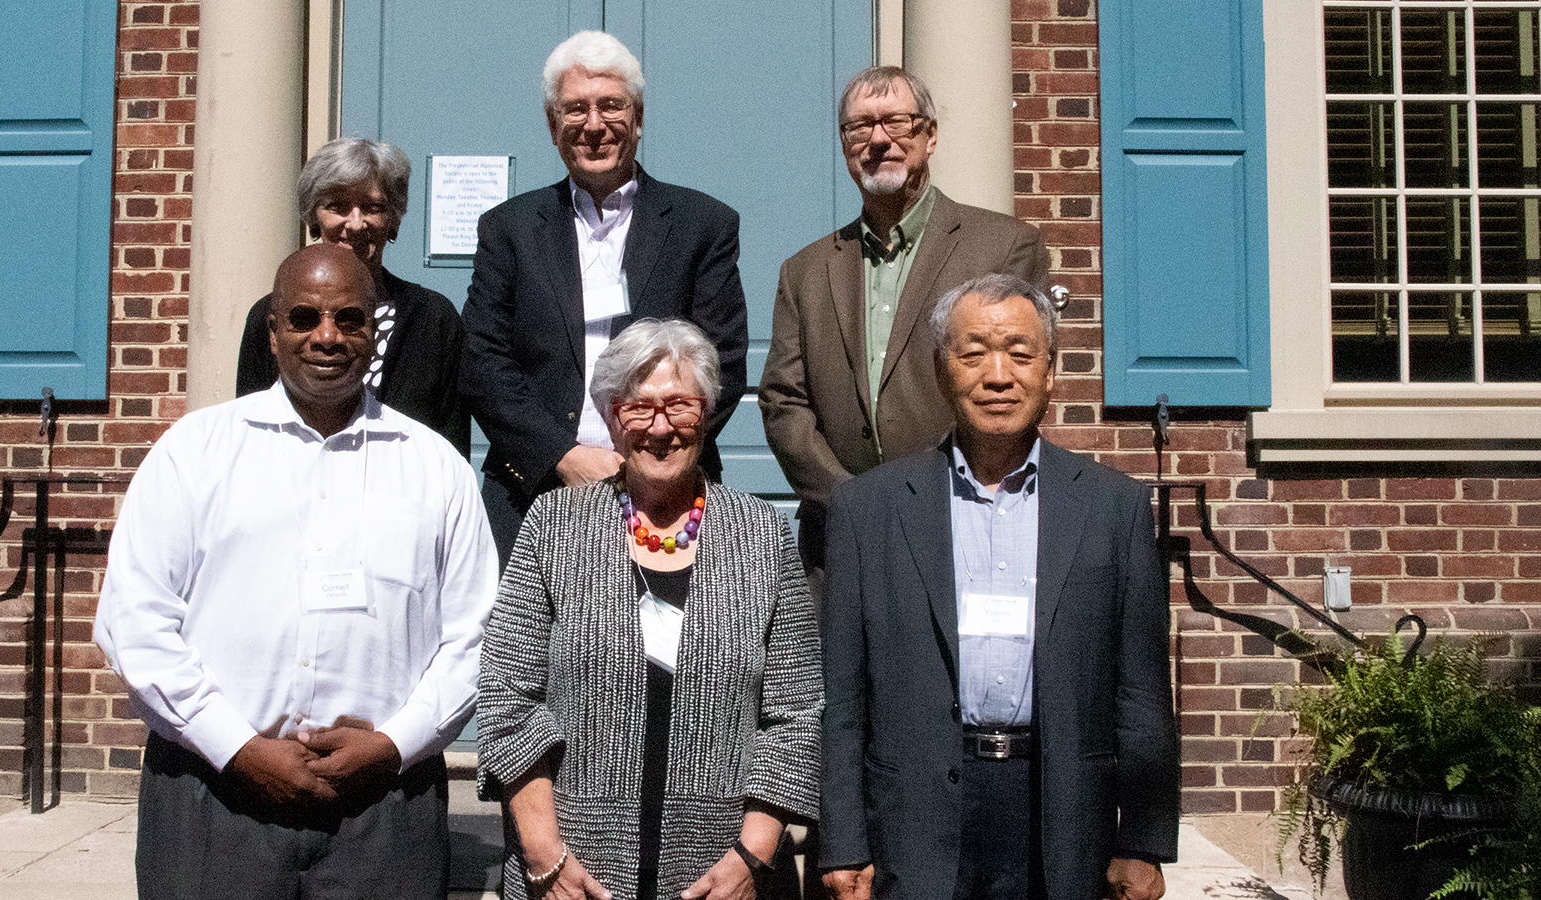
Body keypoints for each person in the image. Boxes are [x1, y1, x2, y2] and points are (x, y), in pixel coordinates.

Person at [96, 244, 499, 899]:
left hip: (383, 806)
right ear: (274, 331)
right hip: (213, 793)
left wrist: (395, 744)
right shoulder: (194, 454)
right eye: (305, 317)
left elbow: (477, 636)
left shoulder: (434, 468)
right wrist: (238, 747)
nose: (327, 336)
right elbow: (133, 621)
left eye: (349, 319)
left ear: (375, 330)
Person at [818, 273, 1177, 900]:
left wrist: (1142, 841)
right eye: (974, 351)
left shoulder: (1113, 508)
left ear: (1051, 370)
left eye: (1019, 351)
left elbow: (1141, 692)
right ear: (941, 370)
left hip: (1062, 808)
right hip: (915, 813)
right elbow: (843, 701)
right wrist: (843, 838)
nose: (998, 375)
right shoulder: (867, 510)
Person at [476, 319, 820, 900]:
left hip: (726, 872)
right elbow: (507, 694)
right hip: (573, 868)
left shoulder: (761, 534)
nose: (660, 428)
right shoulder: (555, 526)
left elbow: (797, 712)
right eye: (639, 409)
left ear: (707, 414)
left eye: (680, 406)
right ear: (612, 419)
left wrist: (750, 856)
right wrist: (544, 854)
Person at [461, 30, 749, 563]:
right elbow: (482, 361)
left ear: (638, 119)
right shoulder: (509, 229)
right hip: (533, 495)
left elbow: (723, 362)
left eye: (611, 106)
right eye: (575, 110)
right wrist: (563, 457)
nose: (594, 126)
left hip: (670, 497)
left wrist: (649, 456)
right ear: (553, 127)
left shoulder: (702, 225)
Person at [760, 66, 1050, 573]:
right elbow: (784, 401)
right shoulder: (804, 270)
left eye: (897, 122)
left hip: (965, 525)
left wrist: (934, 494)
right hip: (840, 540)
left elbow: (1009, 391)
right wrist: (850, 501)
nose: (878, 139)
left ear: (930, 135)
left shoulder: (1003, 248)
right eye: (859, 127)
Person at [237, 136, 470, 456]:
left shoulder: (434, 319)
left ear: (394, 221)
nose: (356, 224)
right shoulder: (276, 314)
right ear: (314, 218)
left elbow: (451, 448)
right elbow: (249, 430)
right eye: (338, 206)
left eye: (373, 207)